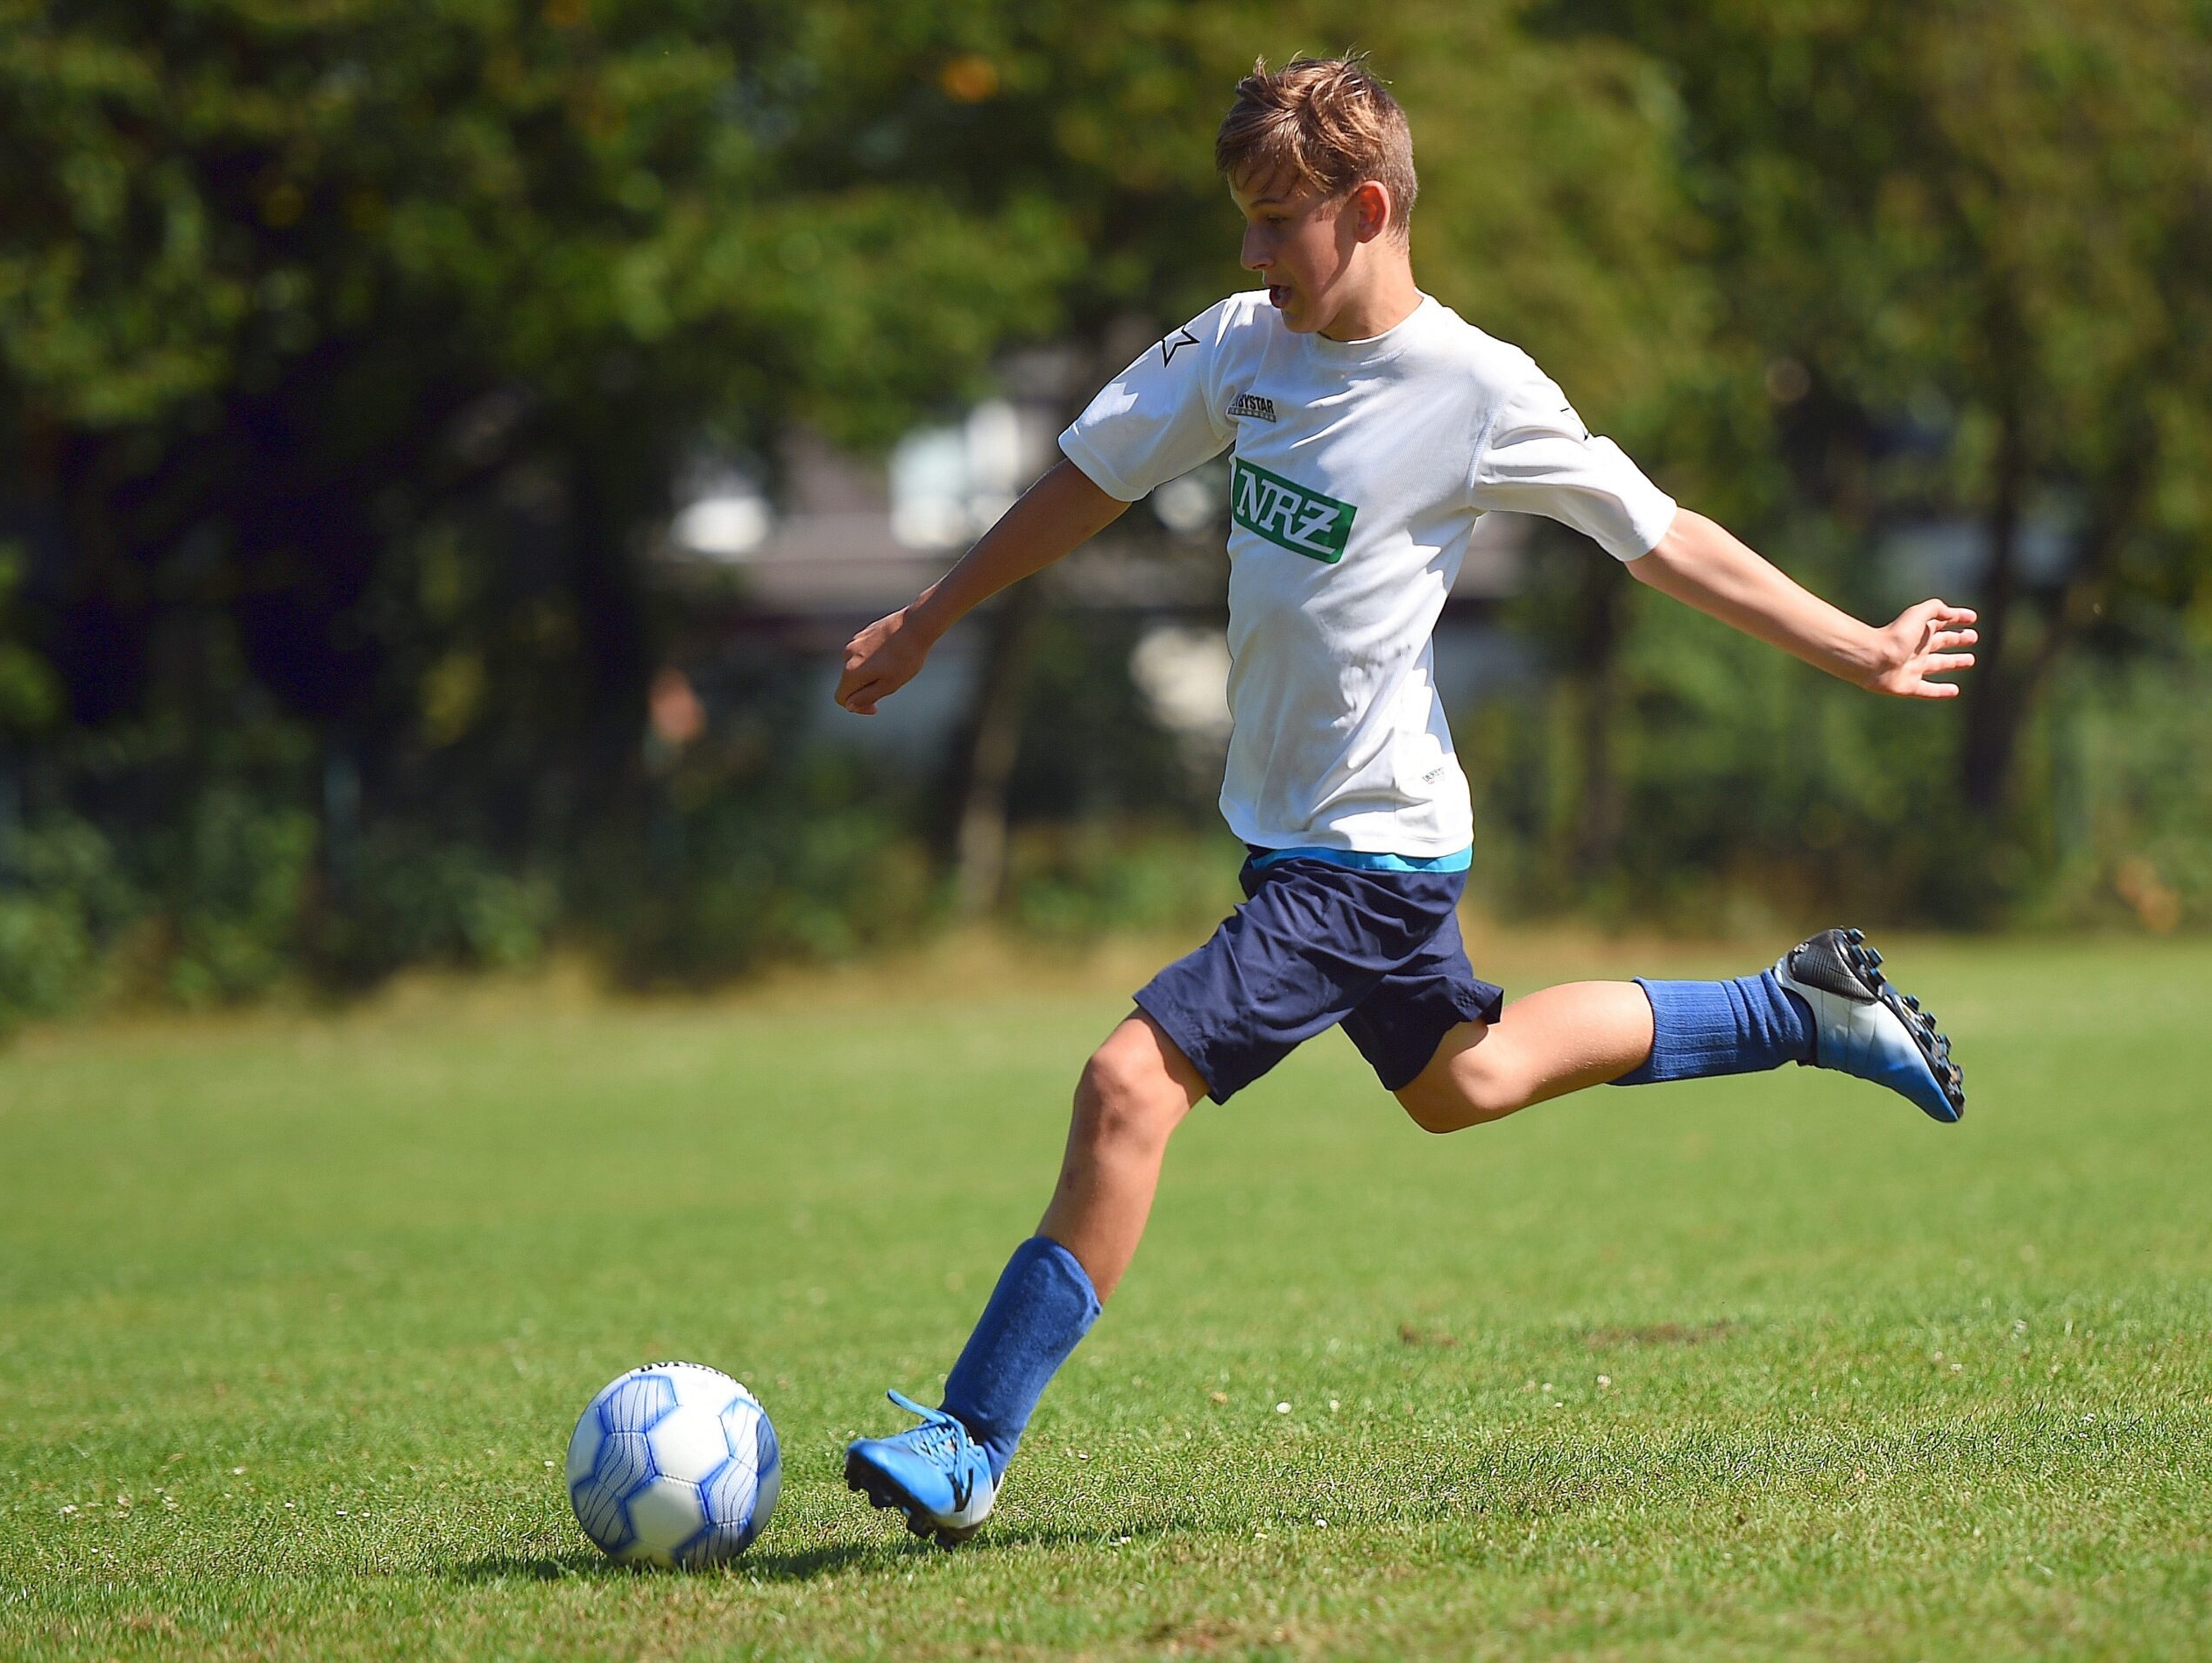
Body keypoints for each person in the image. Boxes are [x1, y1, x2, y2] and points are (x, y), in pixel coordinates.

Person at [830, 54, 1975, 1546]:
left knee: (1126, 1086)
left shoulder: (1477, 389)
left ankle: (974, 1438)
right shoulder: (1243, 344)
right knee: (1465, 1081)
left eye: (1273, 220)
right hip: (1319, 840)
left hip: (1359, 860)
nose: (1249, 252)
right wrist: (931, 614)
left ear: (1365, 208)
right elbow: (1089, 478)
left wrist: (1859, 645)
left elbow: (1660, 536)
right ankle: (1802, 1007)